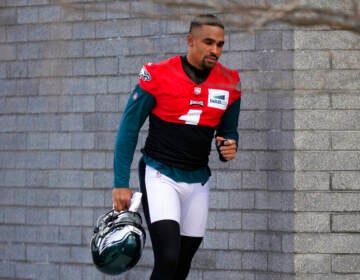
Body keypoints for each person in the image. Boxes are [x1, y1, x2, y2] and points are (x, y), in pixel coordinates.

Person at [112, 14, 241, 280]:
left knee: (182, 263)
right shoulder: (157, 74)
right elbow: (129, 127)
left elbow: (228, 134)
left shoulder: (230, 82)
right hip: (160, 174)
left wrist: (229, 147)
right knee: (168, 257)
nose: (215, 50)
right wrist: (120, 182)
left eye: (220, 44)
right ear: (190, 41)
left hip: (198, 180)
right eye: (208, 42)